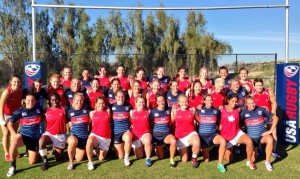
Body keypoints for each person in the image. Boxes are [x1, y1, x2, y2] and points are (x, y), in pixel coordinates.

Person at [6, 93, 44, 177]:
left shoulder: (39, 109)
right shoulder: (19, 111)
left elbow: (44, 118)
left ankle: (31, 151)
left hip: (34, 138)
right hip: (23, 136)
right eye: (28, 100)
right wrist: (14, 134)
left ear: (35, 101)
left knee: (32, 162)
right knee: (14, 141)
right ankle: (12, 166)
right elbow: (9, 124)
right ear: (25, 101)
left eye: (32, 100)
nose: (30, 102)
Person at [240, 96, 278, 171]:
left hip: (262, 135)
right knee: (253, 160)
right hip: (252, 138)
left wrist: (270, 131)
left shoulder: (261, 109)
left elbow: (276, 118)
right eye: (250, 104)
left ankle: (267, 162)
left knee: (270, 139)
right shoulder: (243, 113)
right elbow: (239, 124)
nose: (252, 105)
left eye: (253, 103)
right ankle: (250, 158)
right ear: (246, 104)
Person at [220, 94, 256, 170]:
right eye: (232, 101)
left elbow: (248, 107)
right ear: (228, 100)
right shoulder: (221, 109)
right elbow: (214, 117)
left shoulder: (239, 109)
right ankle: (225, 150)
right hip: (226, 136)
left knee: (249, 141)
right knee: (229, 159)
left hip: (237, 133)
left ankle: (248, 161)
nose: (234, 103)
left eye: (236, 101)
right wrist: (217, 126)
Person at [197, 94, 226, 172]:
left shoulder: (216, 111)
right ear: (204, 101)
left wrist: (219, 126)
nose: (210, 102)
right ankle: (207, 150)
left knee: (223, 141)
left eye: (211, 100)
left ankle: (220, 164)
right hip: (202, 136)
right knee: (206, 160)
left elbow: (219, 121)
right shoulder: (199, 109)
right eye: (208, 100)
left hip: (213, 135)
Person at [39, 93, 67, 171]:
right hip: (50, 134)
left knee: (59, 159)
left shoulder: (64, 109)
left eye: (56, 99)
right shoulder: (46, 110)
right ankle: (45, 161)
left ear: (59, 100)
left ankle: (55, 150)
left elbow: (69, 120)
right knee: (41, 141)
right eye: (53, 100)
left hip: (60, 136)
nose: (55, 101)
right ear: (50, 101)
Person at [171, 94, 200, 168]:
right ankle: (189, 150)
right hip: (180, 136)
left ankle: (194, 158)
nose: (185, 104)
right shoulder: (175, 111)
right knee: (184, 160)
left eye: (186, 101)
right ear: (179, 103)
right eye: (182, 102)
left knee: (197, 142)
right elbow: (171, 124)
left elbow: (199, 120)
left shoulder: (192, 110)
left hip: (191, 133)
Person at [252, 78, 278, 158]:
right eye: (257, 85)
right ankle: (259, 149)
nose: (259, 87)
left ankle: (273, 150)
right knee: (259, 134)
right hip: (259, 117)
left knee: (274, 133)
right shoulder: (252, 93)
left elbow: (274, 103)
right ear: (254, 86)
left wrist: (272, 114)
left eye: (260, 85)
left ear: (262, 85)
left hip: (268, 116)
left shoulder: (268, 91)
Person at [149, 94, 177, 167]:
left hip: (166, 134)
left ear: (165, 101)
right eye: (159, 101)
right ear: (157, 102)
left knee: (173, 141)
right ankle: (163, 148)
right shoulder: (153, 112)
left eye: (163, 100)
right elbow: (151, 123)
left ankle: (171, 160)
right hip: (156, 136)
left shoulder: (169, 110)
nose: (161, 102)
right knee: (160, 157)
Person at [0, 75, 23, 161]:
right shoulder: (7, 92)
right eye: (15, 81)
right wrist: (2, 119)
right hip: (5, 115)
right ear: (11, 82)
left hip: (15, 115)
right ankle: (6, 153)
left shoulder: (21, 90)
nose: (16, 83)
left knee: (14, 133)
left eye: (18, 82)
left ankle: (15, 151)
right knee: (6, 133)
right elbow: (1, 106)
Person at [86, 96, 111, 170]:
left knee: (101, 158)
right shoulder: (92, 113)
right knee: (89, 141)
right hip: (95, 135)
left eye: (103, 103)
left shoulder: (108, 112)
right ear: (95, 104)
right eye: (99, 103)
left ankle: (96, 150)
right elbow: (87, 123)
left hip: (106, 138)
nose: (101, 105)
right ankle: (90, 162)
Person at [66, 93, 90, 170]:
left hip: (83, 138)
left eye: (81, 100)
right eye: (77, 100)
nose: (79, 102)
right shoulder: (69, 112)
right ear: (73, 100)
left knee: (79, 159)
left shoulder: (87, 111)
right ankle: (71, 161)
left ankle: (75, 149)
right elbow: (68, 123)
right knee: (72, 141)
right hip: (74, 136)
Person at [111, 90, 133, 166]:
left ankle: (126, 158)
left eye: (122, 96)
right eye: (119, 97)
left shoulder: (128, 106)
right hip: (116, 133)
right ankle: (115, 147)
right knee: (120, 156)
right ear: (115, 97)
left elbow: (131, 118)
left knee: (128, 136)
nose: (121, 98)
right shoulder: (111, 107)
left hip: (125, 131)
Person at [130, 96, 152, 167]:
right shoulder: (132, 112)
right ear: (135, 103)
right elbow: (130, 123)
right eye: (139, 102)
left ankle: (148, 158)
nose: (141, 104)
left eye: (143, 102)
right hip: (136, 135)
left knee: (147, 141)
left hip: (145, 133)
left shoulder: (147, 111)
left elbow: (151, 122)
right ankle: (143, 147)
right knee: (139, 156)